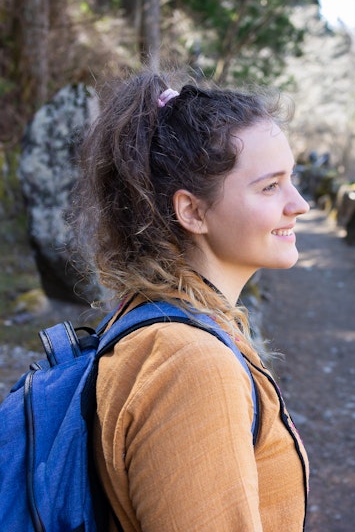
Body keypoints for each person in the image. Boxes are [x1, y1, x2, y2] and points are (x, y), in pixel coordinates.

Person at [74, 71, 311, 531]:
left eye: (292, 179)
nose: (299, 203)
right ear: (193, 212)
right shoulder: (193, 364)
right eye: (270, 186)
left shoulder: (153, 314)